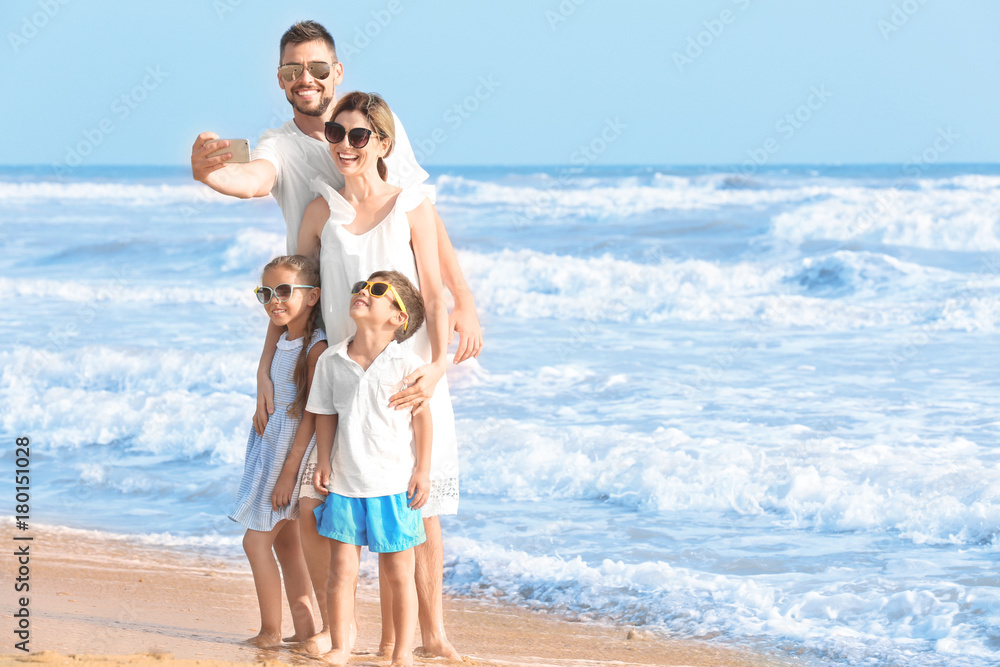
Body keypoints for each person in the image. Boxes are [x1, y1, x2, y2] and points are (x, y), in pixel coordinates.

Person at [296, 91, 459, 660]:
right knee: (346, 498)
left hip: (409, 375)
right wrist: (294, 359)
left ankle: (428, 637)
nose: (344, 145)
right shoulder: (321, 211)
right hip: (346, 377)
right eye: (336, 134)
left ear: (383, 143)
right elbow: (307, 299)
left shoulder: (412, 205)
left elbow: (435, 296)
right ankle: (352, 638)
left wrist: (437, 366)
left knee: (420, 503)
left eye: (358, 136)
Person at [307, 270, 430, 667]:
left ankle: (400, 653)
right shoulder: (331, 359)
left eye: (378, 291)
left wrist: (422, 471)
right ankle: (341, 646)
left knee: (398, 575)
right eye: (361, 286)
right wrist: (323, 460)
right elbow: (324, 414)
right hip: (345, 483)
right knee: (340, 573)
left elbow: (423, 420)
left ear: (398, 318)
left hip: (393, 486)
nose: (363, 292)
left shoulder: (407, 364)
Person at [227, 255, 327, 648]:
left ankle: (270, 632)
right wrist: (260, 382)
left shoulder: (315, 350)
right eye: (265, 293)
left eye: (284, 291)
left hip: (291, 454)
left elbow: (311, 416)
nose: (274, 301)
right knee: (286, 545)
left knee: (254, 542)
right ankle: (305, 632)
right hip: (271, 447)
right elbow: (269, 359)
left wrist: (290, 472)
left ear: (313, 295)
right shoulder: (283, 336)